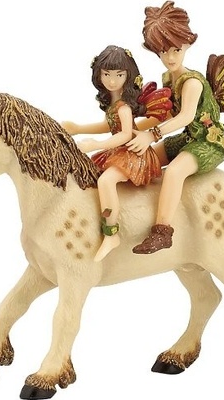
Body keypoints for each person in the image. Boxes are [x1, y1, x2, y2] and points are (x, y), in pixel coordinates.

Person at [127, 1, 224, 254]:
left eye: (176, 50)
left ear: (188, 45)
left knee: (174, 172)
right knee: (146, 157)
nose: (170, 57)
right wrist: (136, 129)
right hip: (189, 138)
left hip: (207, 142)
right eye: (163, 51)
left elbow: (185, 116)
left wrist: (151, 135)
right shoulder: (169, 78)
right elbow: (168, 113)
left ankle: (162, 231)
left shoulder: (192, 82)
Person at [62, 45, 171, 262]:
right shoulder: (112, 102)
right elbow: (108, 126)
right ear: (99, 75)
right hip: (120, 150)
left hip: (134, 154)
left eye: (119, 75)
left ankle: (112, 234)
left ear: (127, 76)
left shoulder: (123, 106)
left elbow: (124, 134)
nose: (112, 81)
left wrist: (97, 144)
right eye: (107, 75)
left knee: (106, 181)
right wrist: (78, 128)